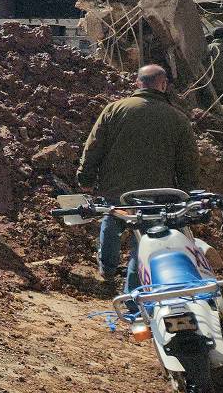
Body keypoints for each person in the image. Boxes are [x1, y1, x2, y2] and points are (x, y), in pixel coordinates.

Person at [76, 64, 199, 289]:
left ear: (137, 83)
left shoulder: (114, 109)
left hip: (118, 190)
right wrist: (187, 192)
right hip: (157, 194)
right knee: (142, 241)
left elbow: (94, 146)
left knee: (112, 220)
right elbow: (187, 161)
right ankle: (134, 296)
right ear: (163, 86)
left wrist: (85, 179)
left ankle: (107, 270)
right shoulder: (178, 118)